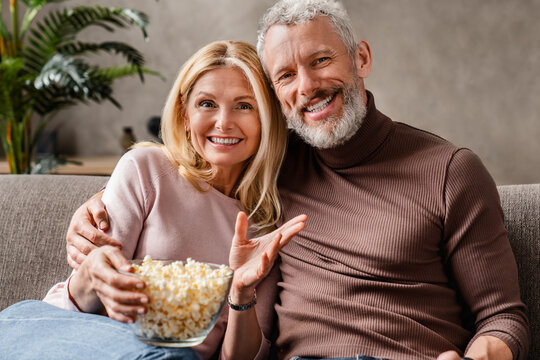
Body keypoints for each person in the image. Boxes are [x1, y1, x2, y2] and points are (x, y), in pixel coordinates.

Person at [64, 1, 531, 359]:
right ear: (277, 99)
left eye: (321, 60)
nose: (306, 86)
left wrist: (481, 354)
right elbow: (197, 166)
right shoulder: (277, 167)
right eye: (285, 75)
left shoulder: (451, 171)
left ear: (361, 58)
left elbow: (503, 317)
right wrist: (103, 201)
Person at [0, 40, 306, 360]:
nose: (224, 122)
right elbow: (84, 300)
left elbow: (237, 359)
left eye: (244, 105)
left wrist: (241, 293)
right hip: (65, 336)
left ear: (265, 119)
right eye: (207, 104)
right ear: (184, 115)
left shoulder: (268, 221)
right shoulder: (147, 170)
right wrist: (94, 276)